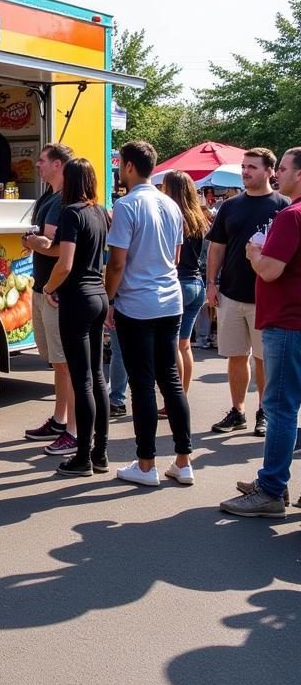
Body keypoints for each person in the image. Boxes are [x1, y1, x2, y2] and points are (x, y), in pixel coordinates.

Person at [106, 140, 193, 488]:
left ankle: (146, 466)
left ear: (128, 166)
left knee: (142, 383)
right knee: (170, 381)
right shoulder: (171, 205)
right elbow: (174, 258)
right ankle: (184, 462)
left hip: (137, 304)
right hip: (170, 300)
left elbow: (116, 262)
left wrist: (108, 300)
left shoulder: (126, 206)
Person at [220, 147, 301, 517]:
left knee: (279, 409)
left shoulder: (290, 215)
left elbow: (269, 270)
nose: (278, 174)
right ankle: (274, 482)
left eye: (282, 168)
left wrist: (255, 253)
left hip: (286, 323)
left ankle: (270, 490)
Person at [207, 149, 290, 437]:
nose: (245, 172)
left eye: (252, 167)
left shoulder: (284, 206)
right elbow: (217, 247)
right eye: (243, 167)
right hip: (230, 292)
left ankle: (263, 412)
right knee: (236, 356)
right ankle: (237, 411)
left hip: (266, 296)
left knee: (263, 360)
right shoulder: (230, 206)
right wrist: (211, 283)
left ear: (270, 171)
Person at [40, 158, 110, 477]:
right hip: (99, 295)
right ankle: (100, 452)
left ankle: (82, 456)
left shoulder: (71, 213)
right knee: (97, 377)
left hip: (77, 298)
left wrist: (50, 288)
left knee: (81, 379)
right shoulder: (99, 212)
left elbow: (65, 263)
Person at [20, 144, 78, 454]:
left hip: (54, 290)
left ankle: (70, 426)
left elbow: (55, 246)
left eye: (43, 160)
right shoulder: (48, 196)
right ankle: (59, 420)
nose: (37, 165)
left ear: (58, 165)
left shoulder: (61, 200)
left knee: (64, 363)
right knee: (57, 362)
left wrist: (32, 241)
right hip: (43, 287)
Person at [160, 170, 209, 398]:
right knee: (184, 345)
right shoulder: (199, 218)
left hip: (177, 282)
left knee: (172, 347)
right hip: (196, 283)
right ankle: (182, 394)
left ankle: (174, 398)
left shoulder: (171, 216)